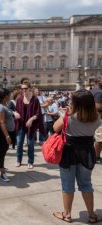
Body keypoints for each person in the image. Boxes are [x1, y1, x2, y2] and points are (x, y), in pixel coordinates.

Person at [52, 89, 102, 223]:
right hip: (86, 151)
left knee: (67, 185)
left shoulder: (69, 117)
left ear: (76, 103)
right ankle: (91, 215)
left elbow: (55, 127)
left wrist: (65, 114)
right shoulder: (97, 118)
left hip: (69, 152)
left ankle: (67, 214)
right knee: (86, 184)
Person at [15, 81, 45, 169]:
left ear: (29, 89)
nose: (24, 90)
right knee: (19, 143)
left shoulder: (35, 99)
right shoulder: (20, 99)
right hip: (21, 124)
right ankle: (18, 160)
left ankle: (30, 161)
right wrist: (15, 113)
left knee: (30, 144)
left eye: (25, 88)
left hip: (31, 126)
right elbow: (16, 110)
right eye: (22, 89)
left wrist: (31, 119)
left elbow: (38, 113)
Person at [0, 88, 16, 182]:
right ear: (6, 96)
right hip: (1, 133)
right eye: (9, 95)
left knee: (3, 152)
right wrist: (7, 136)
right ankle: (2, 173)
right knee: (1, 152)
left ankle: (1, 168)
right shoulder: (0, 107)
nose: (10, 96)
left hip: (5, 132)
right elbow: (1, 122)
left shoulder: (5, 105)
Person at [90, 80, 102, 163]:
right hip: (99, 118)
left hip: (93, 117)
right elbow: (98, 106)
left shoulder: (93, 90)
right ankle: (96, 157)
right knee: (100, 138)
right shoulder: (99, 93)